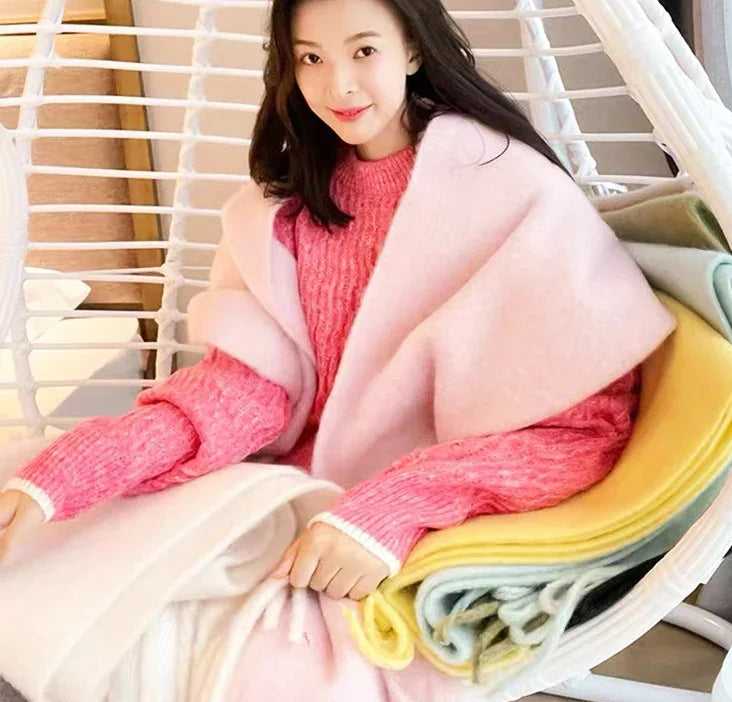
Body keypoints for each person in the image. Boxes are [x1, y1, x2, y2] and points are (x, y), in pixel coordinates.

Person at [0, 0, 649, 603]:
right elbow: (246, 391)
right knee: (77, 570)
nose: (338, 85)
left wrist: (396, 505)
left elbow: (583, 429)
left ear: (414, 49)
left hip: (422, 525)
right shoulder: (286, 211)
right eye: (311, 58)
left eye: (364, 51)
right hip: (287, 504)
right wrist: (76, 468)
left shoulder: (510, 189)